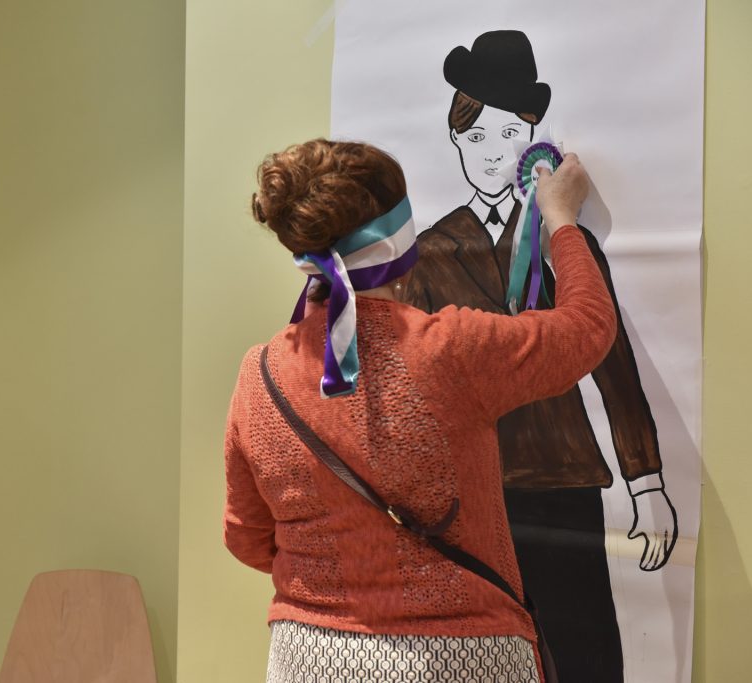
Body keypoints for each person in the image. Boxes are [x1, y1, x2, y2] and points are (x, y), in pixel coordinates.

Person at [224, 138, 615, 682]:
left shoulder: (259, 373)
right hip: (457, 658)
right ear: (400, 247)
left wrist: (348, 567)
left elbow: (246, 538)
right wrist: (561, 218)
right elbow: (587, 329)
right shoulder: (447, 351)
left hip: (306, 659)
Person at [406, 30, 678, 682]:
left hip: (565, 480)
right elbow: (408, 384)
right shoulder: (430, 251)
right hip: (470, 490)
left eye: (507, 135)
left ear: (532, 137)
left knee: (585, 658)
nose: (492, 155)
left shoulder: (567, 240)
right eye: (475, 138)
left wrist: (648, 481)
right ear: (453, 141)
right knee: (476, 661)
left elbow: (614, 367)